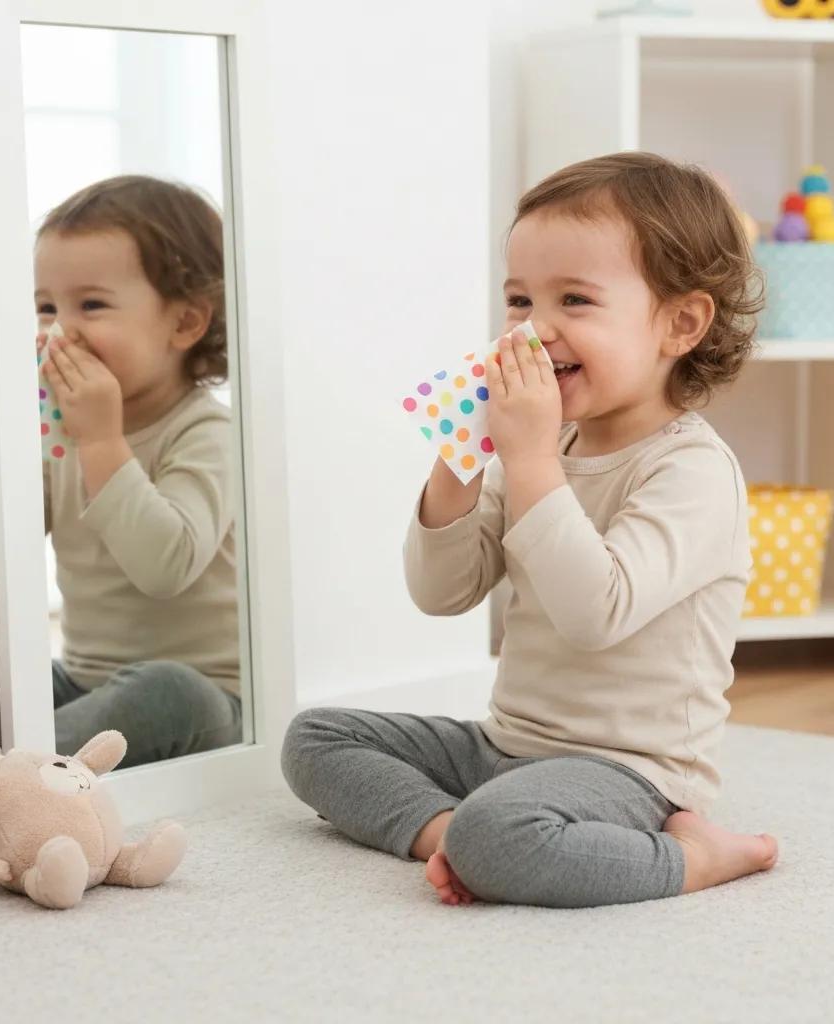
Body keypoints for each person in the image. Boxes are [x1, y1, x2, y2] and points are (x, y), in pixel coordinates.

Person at [281, 152, 780, 909]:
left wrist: (529, 457)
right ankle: (455, 834)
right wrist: (462, 457)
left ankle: (696, 860)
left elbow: (595, 613)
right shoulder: (543, 449)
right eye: (519, 301)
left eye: (574, 300)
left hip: (631, 770)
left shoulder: (692, 473)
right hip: (503, 746)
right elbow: (441, 592)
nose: (532, 330)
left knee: (501, 832)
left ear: (680, 323)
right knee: (313, 738)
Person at [36, 175, 241, 769]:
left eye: (91, 305)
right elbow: (12, 545)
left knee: (166, 694)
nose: (58, 332)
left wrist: (101, 437)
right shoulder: (58, 427)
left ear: (185, 324)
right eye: (46, 306)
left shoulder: (207, 433)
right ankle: (12, 761)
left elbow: (164, 565)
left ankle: (8, 768)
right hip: (84, 682)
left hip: (204, 696)